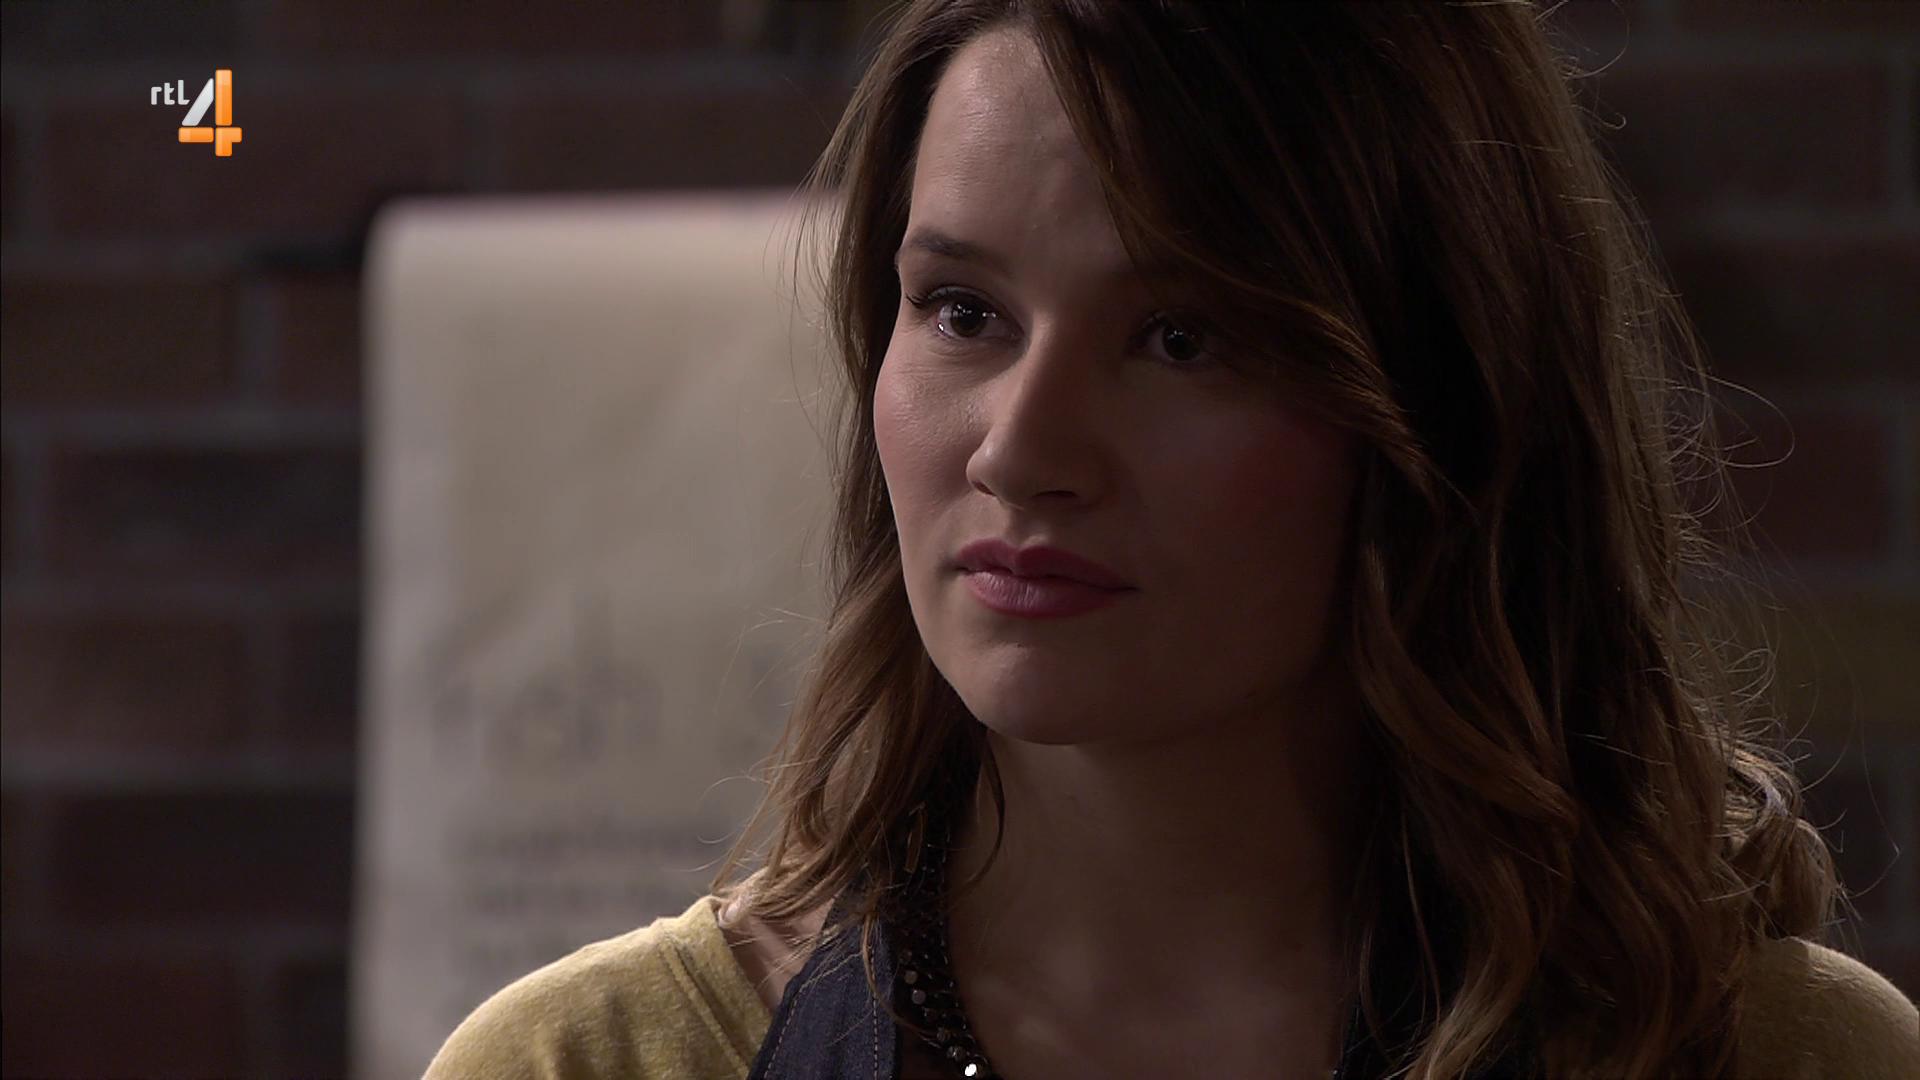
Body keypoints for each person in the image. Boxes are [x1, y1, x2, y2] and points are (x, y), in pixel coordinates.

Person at [423, 2, 1919, 1078]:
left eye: (1184, 338)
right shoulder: (591, 1061)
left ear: (1437, 404)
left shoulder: (1781, 1054)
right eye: (963, 311)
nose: (1020, 450)